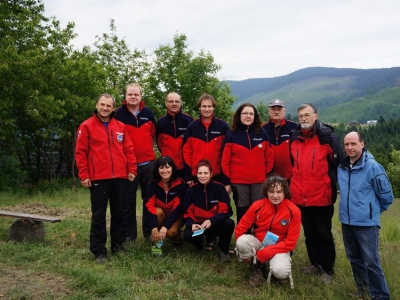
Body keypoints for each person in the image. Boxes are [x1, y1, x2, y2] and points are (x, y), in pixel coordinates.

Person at [75, 94, 137, 264]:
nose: (105, 108)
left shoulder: (121, 126)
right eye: (102, 105)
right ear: (97, 105)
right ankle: (98, 250)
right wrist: (84, 175)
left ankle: (118, 246)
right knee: (98, 215)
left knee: (119, 214)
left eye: (108, 106)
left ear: (113, 108)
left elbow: (129, 150)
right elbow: (80, 153)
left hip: (120, 177)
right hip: (98, 177)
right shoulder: (86, 126)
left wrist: (131, 169)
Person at [289, 103, 344, 284]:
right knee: (310, 233)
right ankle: (315, 264)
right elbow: (294, 165)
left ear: (315, 115)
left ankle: (327, 269)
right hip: (300, 196)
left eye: (307, 115)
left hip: (321, 195)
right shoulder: (294, 137)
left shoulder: (327, 137)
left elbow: (339, 165)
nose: (304, 119)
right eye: (301, 116)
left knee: (324, 233)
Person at [338, 132, 393, 299]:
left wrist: (372, 213)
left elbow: (387, 196)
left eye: (353, 144)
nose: (349, 147)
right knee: (354, 259)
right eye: (346, 144)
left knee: (371, 263)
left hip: (366, 224)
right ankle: (362, 291)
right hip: (347, 222)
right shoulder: (342, 166)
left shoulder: (373, 167)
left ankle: (381, 296)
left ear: (362, 144)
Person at [235, 175, 301, 287]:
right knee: (241, 241)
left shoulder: (294, 211)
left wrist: (266, 253)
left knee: (280, 271)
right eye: (271, 191)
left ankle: (276, 267)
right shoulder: (257, 205)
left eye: (279, 192)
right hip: (259, 243)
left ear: (285, 192)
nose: (275, 196)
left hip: (280, 246)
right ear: (266, 192)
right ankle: (257, 268)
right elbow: (240, 229)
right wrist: (246, 256)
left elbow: (291, 242)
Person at [114, 83, 156, 241]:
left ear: (141, 96)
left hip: (148, 164)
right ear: (125, 96)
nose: (133, 97)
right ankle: (129, 236)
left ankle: (148, 233)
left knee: (149, 200)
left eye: (136, 94)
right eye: (130, 94)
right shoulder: (117, 115)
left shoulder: (149, 113)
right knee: (127, 202)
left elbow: (152, 134)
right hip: (127, 166)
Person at [221, 103, 274, 224]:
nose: (248, 116)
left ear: (255, 116)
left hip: (259, 181)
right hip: (238, 182)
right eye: (245, 113)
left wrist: (267, 177)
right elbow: (225, 160)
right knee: (243, 211)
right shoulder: (231, 134)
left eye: (251, 113)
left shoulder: (262, 133)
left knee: (259, 210)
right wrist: (226, 182)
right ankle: (243, 238)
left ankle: (258, 237)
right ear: (239, 115)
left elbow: (269, 158)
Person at [182, 159, 235, 263]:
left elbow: (227, 211)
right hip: (199, 226)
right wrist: (191, 224)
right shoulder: (190, 190)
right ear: (196, 174)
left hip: (215, 224)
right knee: (187, 234)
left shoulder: (219, 188)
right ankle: (200, 246)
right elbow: (186, 212)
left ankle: (223, 249)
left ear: (211, 174)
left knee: (229, 223)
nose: (202, 176)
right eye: (200, 173)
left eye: (205, 173)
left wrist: (212, 220)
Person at [183, 93, 229, 185]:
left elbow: (227, 154)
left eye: (209, 106)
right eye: (204, 106)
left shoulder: (223, 126)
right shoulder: (192, 127)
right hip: (198, 175)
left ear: (213, 108)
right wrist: (188, 176)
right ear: (199, 108)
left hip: (217, 175)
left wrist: (226, 179)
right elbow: (186, 153)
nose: (207, 109)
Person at [143, 156, 187, 248]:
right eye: (161, 167)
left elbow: (178, 208)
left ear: (172, 168)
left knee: (170, 233)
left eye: (167, 167)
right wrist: (154, 228)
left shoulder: (180, 184)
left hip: (176, 215)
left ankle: (177, 236)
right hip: (161, 214)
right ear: (157, 170)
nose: (164, 170)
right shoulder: (152, 184)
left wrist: (165, 227)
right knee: (157, 212)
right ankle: (157, 245)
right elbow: (148, 205)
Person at [156, 92, 194, 179]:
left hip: (185, 167)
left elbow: (193, 145)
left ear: (180, 103)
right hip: (167, 168)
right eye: (171, 101)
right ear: (166, 103)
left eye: (177, 101)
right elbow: (160, 144)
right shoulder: (160, 122)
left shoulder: (189, 121)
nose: (174, 104)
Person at [262, 99, 298, 180]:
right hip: (268, 177)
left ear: (284, 111)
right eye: (273, 109)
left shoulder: (294, 127)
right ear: (269, 111)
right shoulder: (262, 129)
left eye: (279, 109)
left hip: (291, 177)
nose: (276, 112)